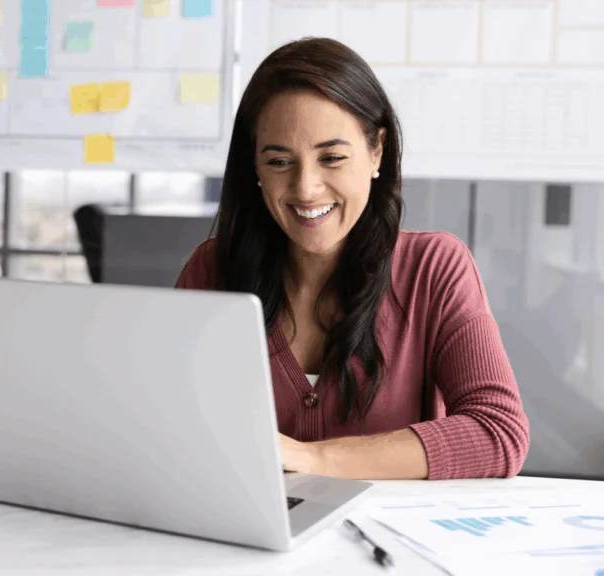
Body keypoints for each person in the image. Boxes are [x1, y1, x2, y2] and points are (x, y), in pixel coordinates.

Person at [175, 37, 529, 481]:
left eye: (332, 157)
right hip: (247, 541)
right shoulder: (211, 271)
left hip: (385, 544)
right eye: (280, 161)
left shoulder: (434, 268)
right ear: (256, 169)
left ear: (376, 151)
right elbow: (175, 428)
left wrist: (315, 459)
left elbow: (497, 432)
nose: (306, 188)